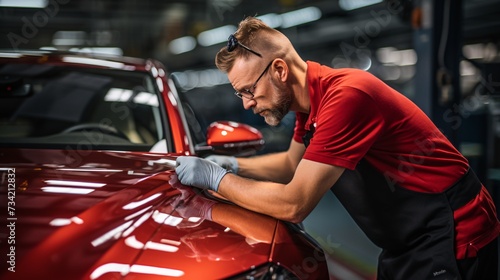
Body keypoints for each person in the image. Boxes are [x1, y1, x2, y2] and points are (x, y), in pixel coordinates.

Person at [175, 16, 500, 279]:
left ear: (279, 70)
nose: (247, 104)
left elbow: (295, 204)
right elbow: (290, 164)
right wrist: (231, 164)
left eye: (248, 90)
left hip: (452, 232)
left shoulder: (347, 97)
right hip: (405, 241)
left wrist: (217, 180)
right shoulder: (309, 105)